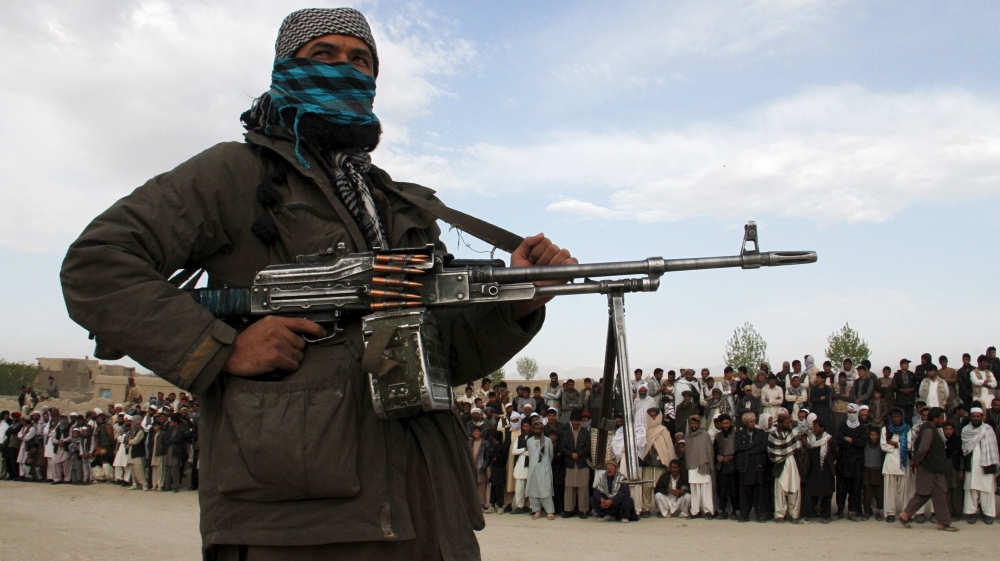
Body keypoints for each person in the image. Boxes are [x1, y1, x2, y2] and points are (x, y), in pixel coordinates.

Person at [61, 6, 579, 558]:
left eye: (360, 61)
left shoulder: (397, 203)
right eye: (323, 55)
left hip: (426, 512)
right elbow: (96, 264)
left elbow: (440, 356)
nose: (346, 70)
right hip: (295, 521)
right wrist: (222, 347)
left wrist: (519, 299)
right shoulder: (234, 174)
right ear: (286, 68)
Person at [897, 407, 958, 531]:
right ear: (935, 418)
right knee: (939, 494)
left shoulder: (930, 429)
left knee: (924, 494)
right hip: (931, 469)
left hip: (931, 468)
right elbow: (923, 449)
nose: (943, 420)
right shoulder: (929, 431)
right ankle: (944, 523)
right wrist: (916, 462)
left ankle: (905, 514)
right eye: (941, 418)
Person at [960, 407, 998, 523]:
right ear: (971, 417)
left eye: (978, 416)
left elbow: (993, 448)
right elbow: (965, 448)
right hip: (971, 464)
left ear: (982, 417)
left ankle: (988, 514)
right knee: (971, 490)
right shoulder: (966, 430)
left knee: (987, 490)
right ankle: (971, 513)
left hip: (986, 464)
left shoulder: (988, 430)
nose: (976, 418)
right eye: (974, 416)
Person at [638, 408, 674, 518]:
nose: (653, 418)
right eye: (651, 416)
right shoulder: (644, 430)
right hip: (648, 463)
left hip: (660, 463)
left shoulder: (664, 431)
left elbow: (669, 448)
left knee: (660, 487)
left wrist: (668, 461)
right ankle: (646, 508)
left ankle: (660, 509)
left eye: (655, 416)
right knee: (646, 487)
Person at [768, 413, 803, 524]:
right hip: (780, 465)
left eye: (790, 423)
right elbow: (772, 452)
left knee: (794, 488)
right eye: (787, 423)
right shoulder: (773, 435)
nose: (789, 425)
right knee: (780, 490)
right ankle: (779, 515)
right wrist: (784, 453)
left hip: (792, 463)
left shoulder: (793, 433)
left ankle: (794, 515)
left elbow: (797, 447)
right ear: (780, 423)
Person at [801, 419, 837, 523]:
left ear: (822, 428)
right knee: (810, 495)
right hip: (812, 471)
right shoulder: (810, 440)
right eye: (813, 426)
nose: (814, 429)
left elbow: (835, 455)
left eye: (816, 427)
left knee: (826, 495)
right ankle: (805, 515)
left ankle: (826, 516)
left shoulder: (829, 440)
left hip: (826, 472)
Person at [735, 412, 768, 522]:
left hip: (757, 466)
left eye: (753, 421)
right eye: (750, 421)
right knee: (745, 492)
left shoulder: (761, 433)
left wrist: (748, 450)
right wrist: (754, 445)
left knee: (759, 491)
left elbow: (763, 448)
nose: (752, 423)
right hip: (745, 467)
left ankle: (760, 515)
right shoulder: (739, 434)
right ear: (745, 423)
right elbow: (739, 447)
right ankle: (744, 515)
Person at [836, 403, 865, 521]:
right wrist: (854, 442)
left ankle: (853, 510)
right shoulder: (842, 426)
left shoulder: (862, 428)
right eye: (850, 412)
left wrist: (851, 440)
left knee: (856, 488)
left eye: (854, 412)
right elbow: (840, 440)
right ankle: (840, 510)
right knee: (841, 488)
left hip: (857, 463)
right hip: (843, 461)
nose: (852, 415)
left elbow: (862, 443)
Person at [560, 413, 590, 519]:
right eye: (574, 421)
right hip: (570, 462)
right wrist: (571, 454)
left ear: (580, 421)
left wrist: (579, 454)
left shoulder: (586, 433)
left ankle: (583, 510)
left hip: (582, 463)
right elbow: (562, 447)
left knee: (583, 487)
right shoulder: (566, 433)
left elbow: (587, 447)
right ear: (571, 421)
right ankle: (569, 510)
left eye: (578, 421)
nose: (576, 423)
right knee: (569, 486)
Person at [685, 415, 715, 519]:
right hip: (692, 466)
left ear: (699, 424)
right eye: (692, 423)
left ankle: (708, 511)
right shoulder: (688, 436)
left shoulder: (705, 435)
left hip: (703, 464)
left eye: (695, 423)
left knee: (706, 489)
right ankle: (695, 511)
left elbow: (709, 451)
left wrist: (708, 464)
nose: (693, 425)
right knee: (694, 490)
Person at [713, 414, 739, 520]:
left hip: (733, 466)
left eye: (727, 423)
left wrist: (732, 457)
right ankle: (723, 512)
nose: (725, 425)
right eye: (723, 423)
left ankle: (734, 512)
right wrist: (717, 457)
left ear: (730, 423)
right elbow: (714, 451)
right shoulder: (718, 436)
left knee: (733, 490)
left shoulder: (736, 435)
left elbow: (739, 450)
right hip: (722, 466)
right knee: (722, 490)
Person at [861, 426, 885, 521]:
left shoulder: (881, 445)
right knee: (867, 491)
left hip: (878, 469)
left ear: (878, 436)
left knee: (879, 491)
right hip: (867, 469)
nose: (873, 436)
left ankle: (878, 511)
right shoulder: (865, 444)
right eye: (871, 434)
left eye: (875, 435)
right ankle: (867, 511)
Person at [486, 430, 508, 515]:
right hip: (494, 469)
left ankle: (500, 506)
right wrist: (495, 457)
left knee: (499, 487)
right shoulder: (495, 446)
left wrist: (496, 457)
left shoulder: (502, 446)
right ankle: (492, 505)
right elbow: (492, 457)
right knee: (493, 486)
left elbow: (501, 458)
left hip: (500, 469)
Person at [469, 426, 489, 511]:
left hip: (480, 467)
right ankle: (473, 504)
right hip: (471, 467)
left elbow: (487, 456)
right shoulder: (470, 442)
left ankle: (481, 504)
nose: (476, 433)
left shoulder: (485, 443)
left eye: (477, 431)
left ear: (480, 432)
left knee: (481, 486)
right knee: (472, 485)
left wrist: (484, 466)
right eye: (474, 431)